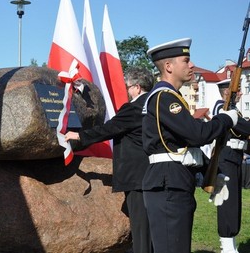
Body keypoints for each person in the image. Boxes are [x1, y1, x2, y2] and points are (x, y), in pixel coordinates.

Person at [142, 37, 238, 253]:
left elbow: (184, 147)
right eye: (186, 60)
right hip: (168, 183)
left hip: (174, 180)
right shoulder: (164, 98)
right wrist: (225, 119)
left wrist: (208, 172)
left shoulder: (171, 98)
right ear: (168, 66)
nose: (192, 64)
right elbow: (197, 135)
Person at [64, 66, 154, 253]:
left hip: (137, 178)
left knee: (141, 229)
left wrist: (80, 137)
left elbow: (110, 128)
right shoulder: (155, 104)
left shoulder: (134, 108)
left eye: (128, 87)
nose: (128, 91)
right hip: (153, 173)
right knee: (151, 227)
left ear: (137, 87)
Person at [211, 78, 250, 253]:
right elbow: (241, 129)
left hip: (236, 157)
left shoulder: (234, 112)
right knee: (227, 201)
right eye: (238, 90)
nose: (241, 93)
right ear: (228, 92)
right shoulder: (222, 108)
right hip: (225, 159)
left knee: (235, 202)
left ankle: (231, 243)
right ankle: (226, 246)